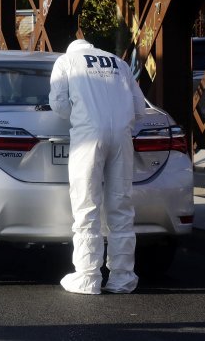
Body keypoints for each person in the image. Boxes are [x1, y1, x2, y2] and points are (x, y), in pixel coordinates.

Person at [48, 39, 147, 294]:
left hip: (88, 136)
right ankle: (122, 277)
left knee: (86, 204)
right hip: (122, 138)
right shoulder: (120, 63)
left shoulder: (66, 61)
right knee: (121, 205)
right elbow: (139, 107)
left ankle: (88, 276)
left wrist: (82, 113)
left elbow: (58, 105)